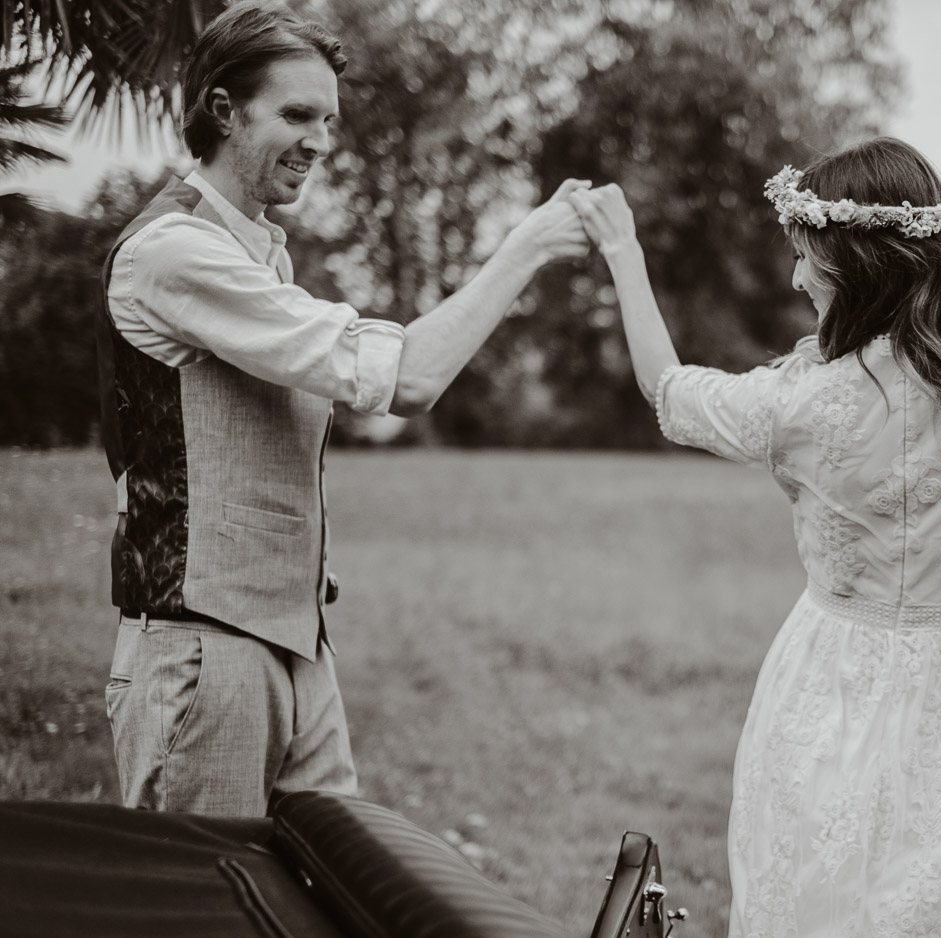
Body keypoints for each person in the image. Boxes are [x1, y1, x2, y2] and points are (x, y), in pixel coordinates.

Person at [569, 137, 941, 936]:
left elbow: (669, 392)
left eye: (805, 255)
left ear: (857, 265)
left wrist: (623, 251)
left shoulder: (803, 402)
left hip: (827, 681)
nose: (794, 277)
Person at [97, 1, 590, 815]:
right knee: (211, 909)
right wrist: (528, 243)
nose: (321, 141)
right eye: (297, 114)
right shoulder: (173, 252)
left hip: (295, 647)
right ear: (223, 110)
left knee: (331, 893)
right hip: (201, 654)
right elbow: (410, 380)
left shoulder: (260, 254)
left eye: (328, 119)